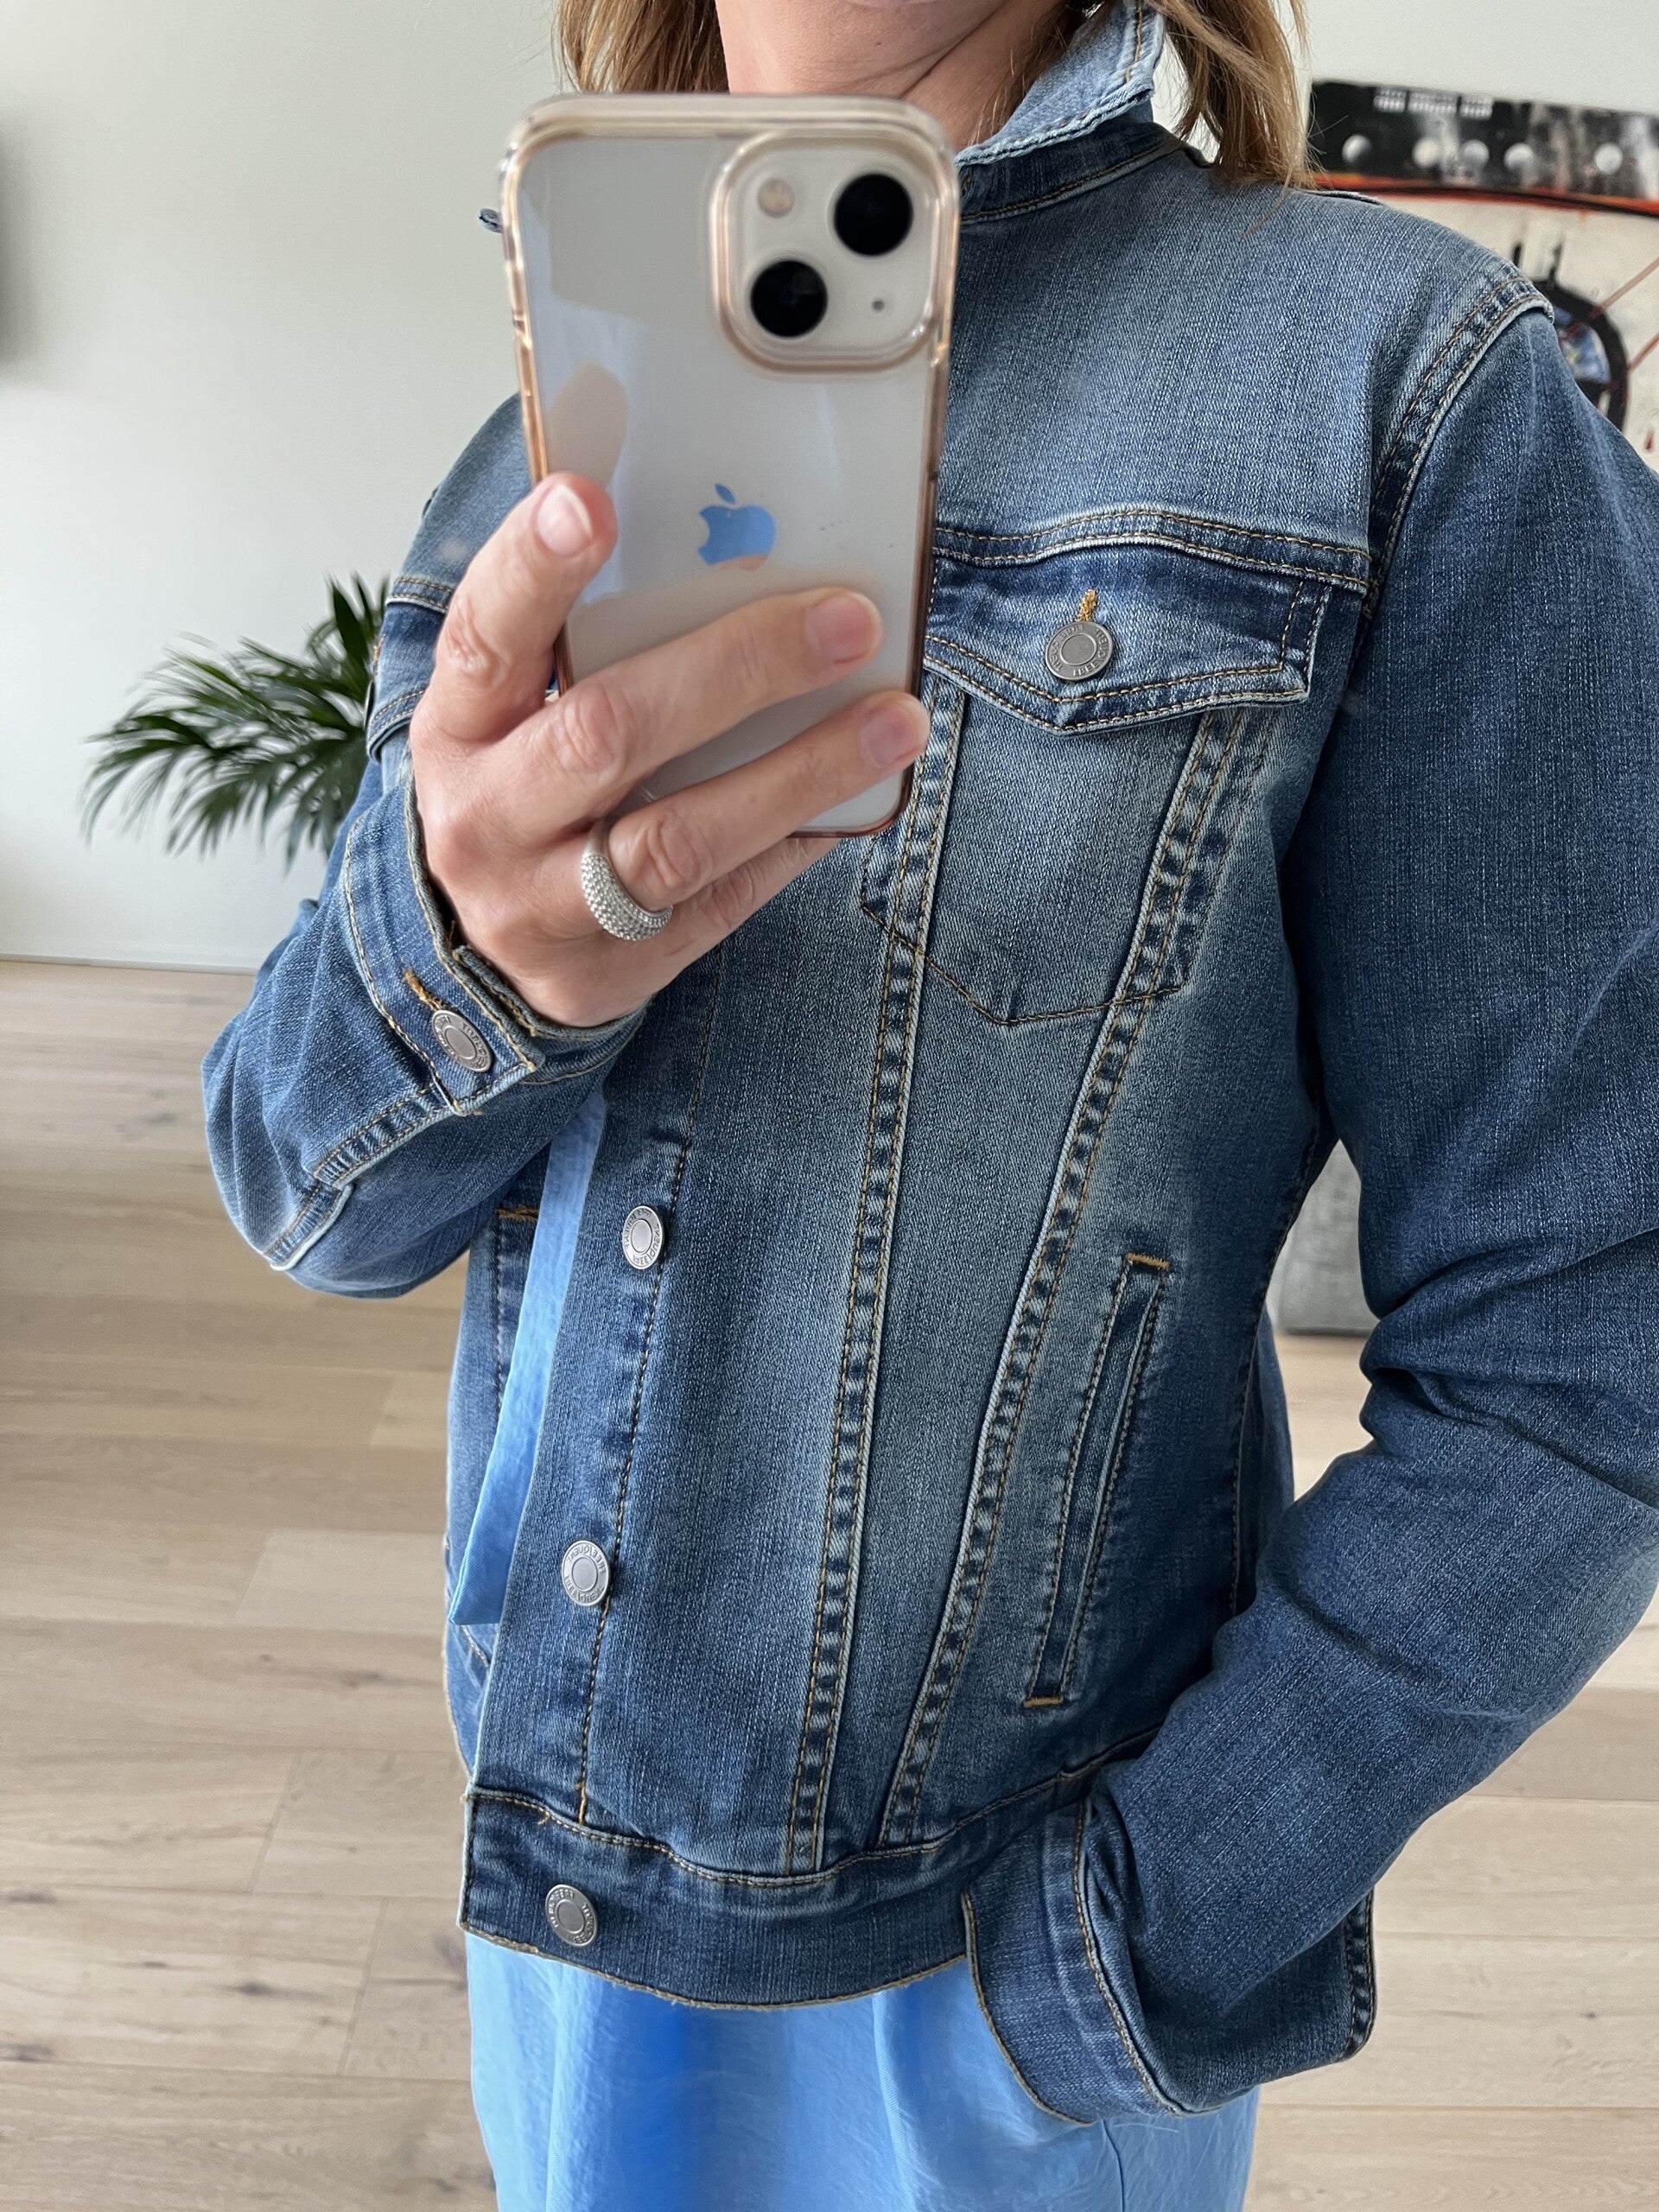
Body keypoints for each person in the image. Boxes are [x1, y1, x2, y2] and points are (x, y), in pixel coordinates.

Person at [202, 1, 1659, 2205]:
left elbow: (1588, 1340)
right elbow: (304, 1192)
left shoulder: (1404, 392)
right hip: (562, 1929)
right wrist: (466, 958)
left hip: (986, 2003)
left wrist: (1114, 1950)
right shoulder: (543, 451)